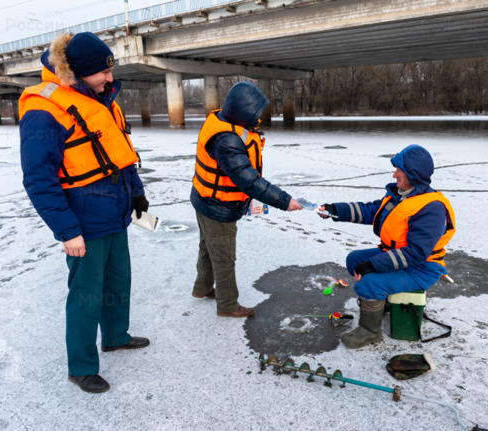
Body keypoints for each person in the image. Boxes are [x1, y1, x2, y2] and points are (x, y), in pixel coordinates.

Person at [19, 32, 150, 393]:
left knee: (118, 280)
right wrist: (66, 230)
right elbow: (38, 179)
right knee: (86, 294)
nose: (110, 78)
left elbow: (120, 153)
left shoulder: (102, 100)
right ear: (76, 72)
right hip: (82, 223)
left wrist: (137, 194)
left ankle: (115, 336)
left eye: (110, 70)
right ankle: (80, 365)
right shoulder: (43, 110)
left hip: (116, 212)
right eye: (101, 73)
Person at [318, 145, 456, 349]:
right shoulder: (399, 196)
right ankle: (382, 304)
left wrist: (373, 266)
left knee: (369, 281)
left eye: (399, 170)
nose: (395, 174)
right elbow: (370, 211)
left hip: (422, 268)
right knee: (354, 260)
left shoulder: (431, 208)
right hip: (398, 257)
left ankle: (370, 332)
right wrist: (335, 210)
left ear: (413, 174)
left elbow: (416, 253)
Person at [191, 81, 302, 317]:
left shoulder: (224, 122)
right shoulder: (227, 140)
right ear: (243, 111)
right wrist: (284, 201)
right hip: (218, 206)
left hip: (203, 199)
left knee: (207, 247)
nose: (259, 118)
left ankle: (202, 288)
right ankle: (228, 305)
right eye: (256, 113)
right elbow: (248, 180)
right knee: (223, 256)